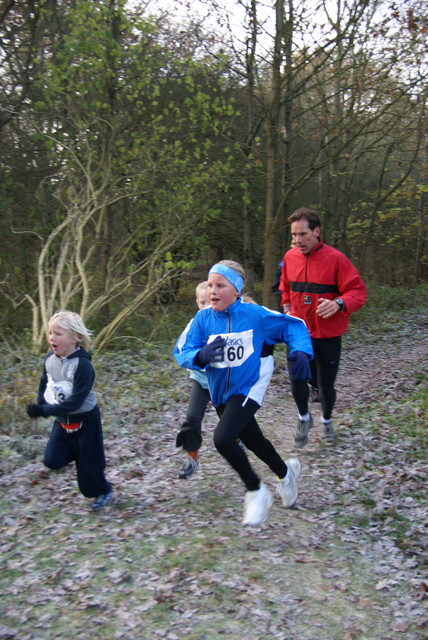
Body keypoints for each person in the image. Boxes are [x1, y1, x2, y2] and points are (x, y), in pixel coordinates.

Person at [174, 260, 313, 526]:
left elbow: (293, 326)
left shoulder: (255, 315)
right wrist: (199, 356)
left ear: (236, 290)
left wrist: (300, 352)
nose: (213, 291)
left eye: (220, 285)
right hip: (220, 392)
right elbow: (181, 350)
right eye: (211, 285)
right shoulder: (202, 319)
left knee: (224, 439)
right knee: (253, 439)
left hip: (248, 387)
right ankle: (286, 474)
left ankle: (256, 490)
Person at [279, 207, 367, 447]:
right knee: (297, 379)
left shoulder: (336, 259)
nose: (297, 240)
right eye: (294, 235)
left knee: (326, 386)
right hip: (299, 333)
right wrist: (287, 311)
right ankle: (303, 419)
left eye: (303, 234)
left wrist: (339, 303)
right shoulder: (289, 258)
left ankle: (327, 421)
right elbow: (285, 289)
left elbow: (358, 292)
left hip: (328, 335)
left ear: (317, 232)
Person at [26, 310, 113, 510]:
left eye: (58, 333)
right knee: (52, 460)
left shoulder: (83, 366)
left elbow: (75, 403)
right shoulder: (49, 359)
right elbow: (45, 383)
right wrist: (41, 402)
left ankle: (105, 490)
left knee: (88, 476)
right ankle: (78, 452)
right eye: (50, 333)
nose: (51, 337)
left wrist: (43, 411)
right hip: (62, 421)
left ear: (75, 338)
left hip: (86, 421)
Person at [176, 281, 211, 479]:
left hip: (224, 381)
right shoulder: (194, 324)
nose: (205, 306)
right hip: (201, 379)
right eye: (201, 302)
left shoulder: (227, 321)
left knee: (229, 421)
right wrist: (197, 357)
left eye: (209, 301)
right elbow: (183, 350)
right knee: (192, 418)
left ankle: (239, 437)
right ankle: (192, 457)